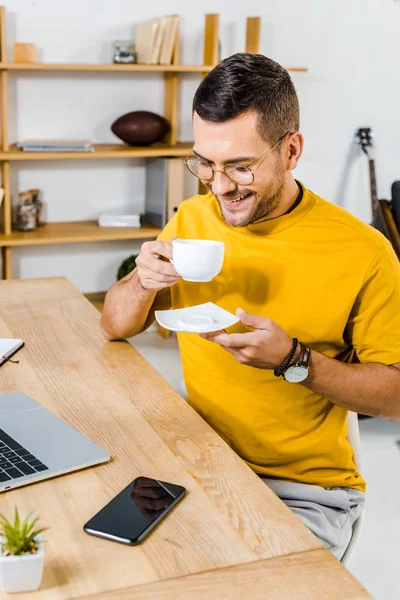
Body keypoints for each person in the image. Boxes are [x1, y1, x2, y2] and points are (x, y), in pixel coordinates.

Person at [101, 53, 400, 559]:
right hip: (196, 461)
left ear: (291, 150)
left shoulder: (363, 251)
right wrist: (142, 283)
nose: (219, 187)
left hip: (304, 492)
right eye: (206, 164)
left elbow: (394, 399)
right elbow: (113, 324)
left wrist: (294, 361)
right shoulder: (192, 217)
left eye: (240, 166)